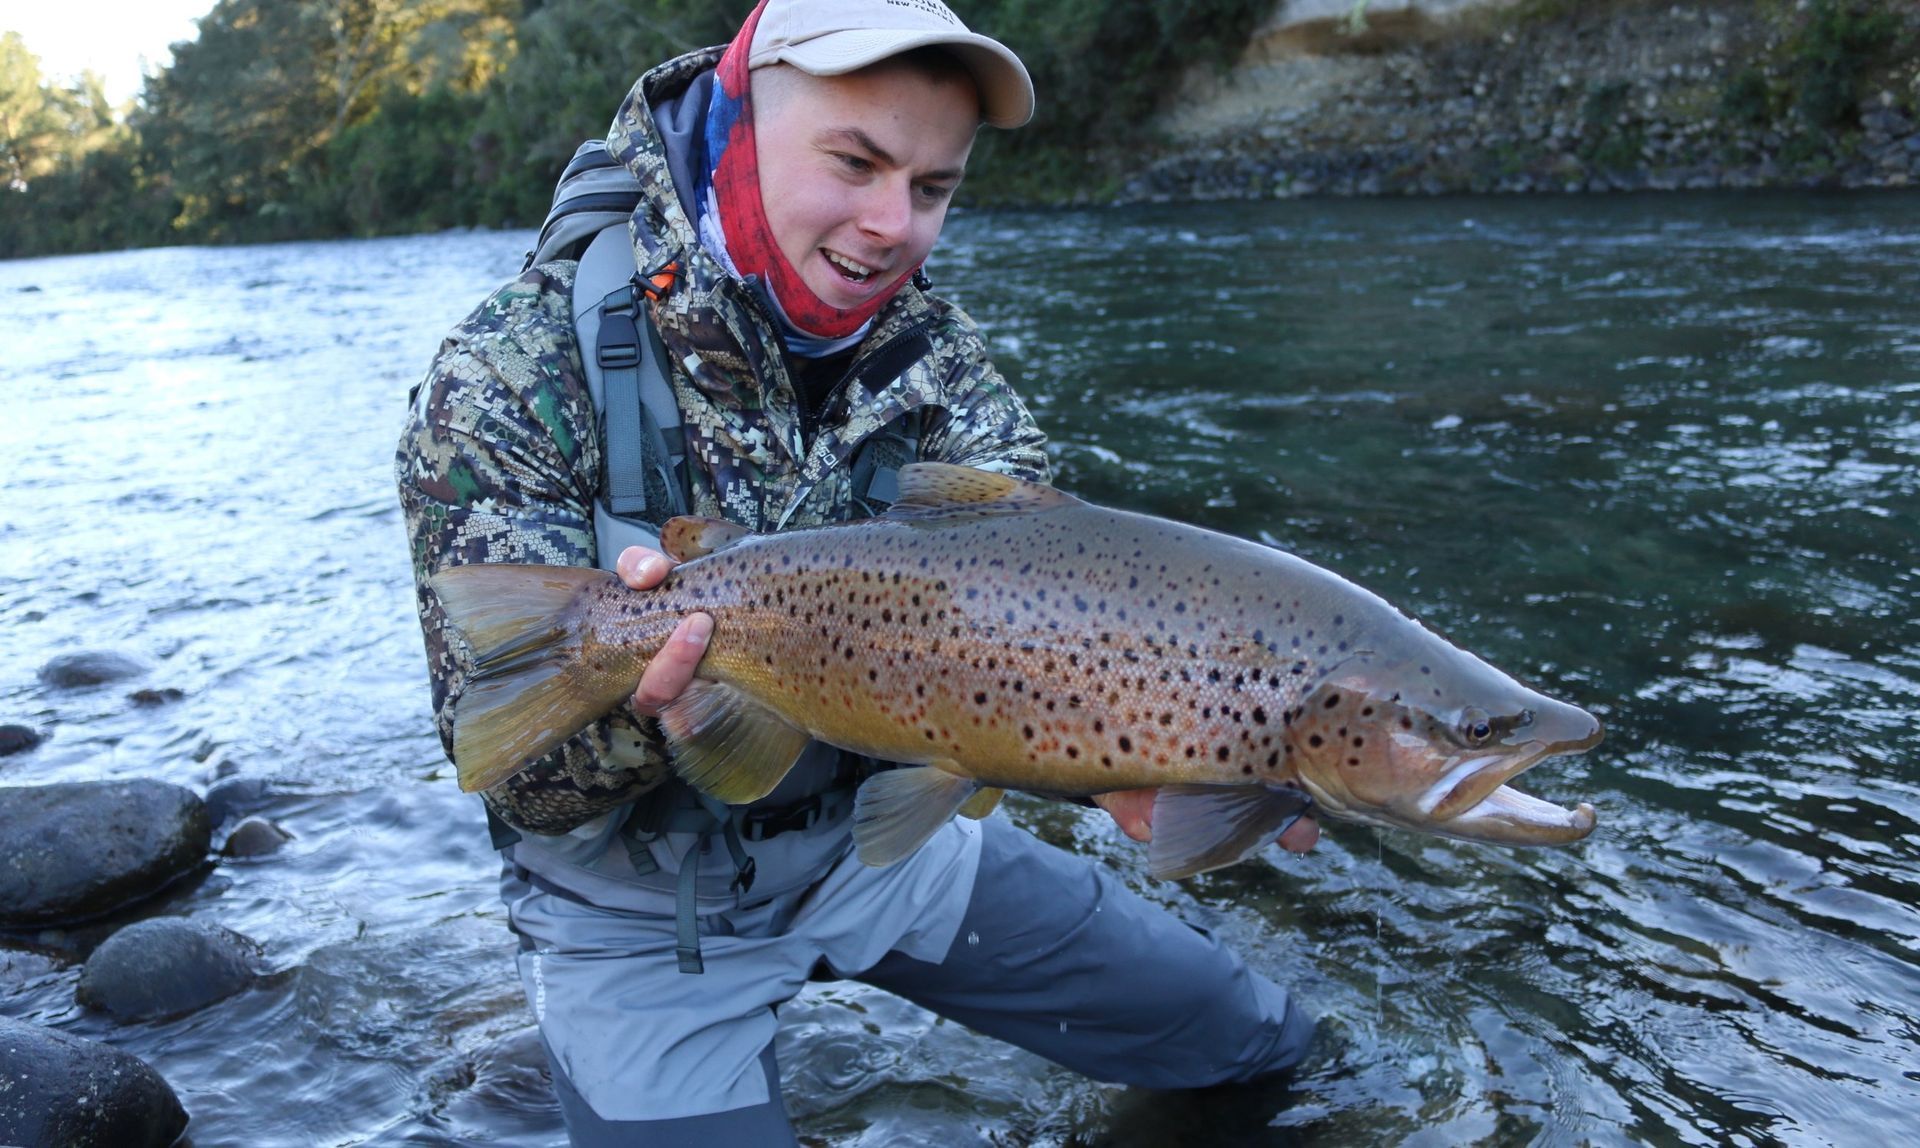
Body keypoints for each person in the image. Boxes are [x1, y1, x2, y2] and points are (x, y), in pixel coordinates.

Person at [397, 0, 1319, 1141]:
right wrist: (664, 699)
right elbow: (518, 781)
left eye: (933, 188)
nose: (892, 224)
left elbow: (1039, 611)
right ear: (739, 113)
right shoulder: (505, 374)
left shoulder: (935, 360)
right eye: (857, 161)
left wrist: (1130, 765)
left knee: (1265, 1049)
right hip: (637, 914)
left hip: (887, 843)